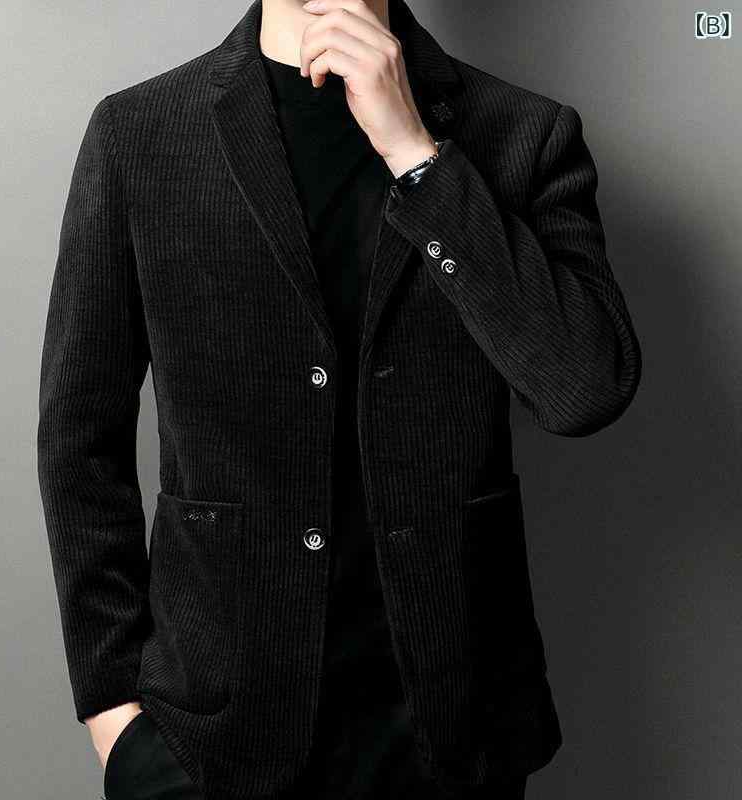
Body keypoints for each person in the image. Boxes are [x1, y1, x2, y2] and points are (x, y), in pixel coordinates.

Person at [36, 0, 642, 799]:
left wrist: (418, 156)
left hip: (452, 737)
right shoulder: (139, 134)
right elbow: (78, 437)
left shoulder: (524, 133)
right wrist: (112, 711)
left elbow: (586, 388)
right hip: (213, 736)